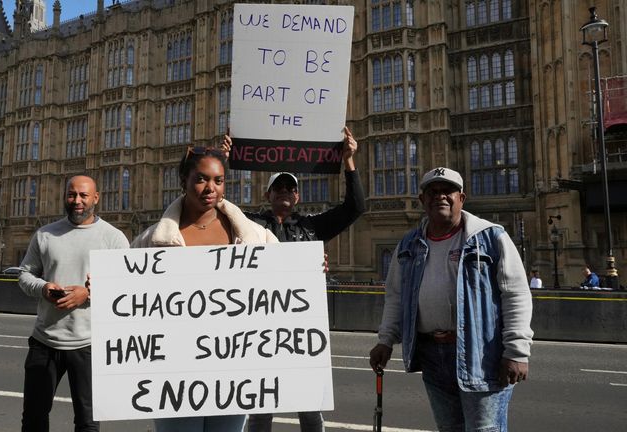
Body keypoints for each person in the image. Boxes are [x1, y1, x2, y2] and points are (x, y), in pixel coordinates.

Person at [368, 167, 533, 432]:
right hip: (433, 354)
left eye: (448, 191)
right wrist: (386, 340)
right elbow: (396, 296)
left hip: (482, 355)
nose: (440, 197)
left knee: (484, 429)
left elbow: (515, 294)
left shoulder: (490, 237)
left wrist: (516, 351)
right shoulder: (409, 244)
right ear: (422, 200)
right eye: (433, 192)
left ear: (461, 198)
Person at [225, 127, 364, 432]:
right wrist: (222, 160)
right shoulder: (251, 224)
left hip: (300, 333)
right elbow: (216, 209)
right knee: (260, 413)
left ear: (297, 196)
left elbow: (355, 208)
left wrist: (349, 161)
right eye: (279, 189)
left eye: (290, 189)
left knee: (310, 412)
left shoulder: (311, 227)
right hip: (259, 331)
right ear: (268, 194)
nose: (285, 193)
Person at [131, 146, 278, 432]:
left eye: (218, 180)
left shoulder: (255, 236)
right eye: (201, 179)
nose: (210, 188)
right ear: (183, 180)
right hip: (174, 374)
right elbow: (125, 295)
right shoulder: (152, 239)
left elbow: (285, 284)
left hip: (233, 371)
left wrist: (311, 269)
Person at [18, 175, 130, 432]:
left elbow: (126, 291)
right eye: (72, 195)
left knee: (88, 423)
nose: (77, 201)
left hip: (90, 345)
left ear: (96, 198)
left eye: (83, 195)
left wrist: (88, 295)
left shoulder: (114, 239)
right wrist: (43, 287)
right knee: (33, 418)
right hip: (44, 342)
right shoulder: (45, 234)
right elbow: (24, 275)